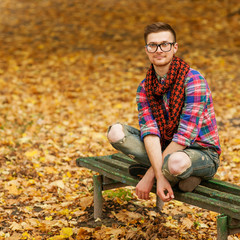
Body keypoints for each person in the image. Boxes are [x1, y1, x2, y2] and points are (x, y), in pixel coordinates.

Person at [107, 22, 221, 202]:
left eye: (164, 44)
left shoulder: (193, 80)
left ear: (174, 48)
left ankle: (171, 172)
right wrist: (160, 176)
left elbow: (185, 136)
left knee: (176, 163)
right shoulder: (145, 87)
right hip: (165, 146)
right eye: (153, 45)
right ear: (146, 50)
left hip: (202, 153)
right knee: (116, 133)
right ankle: (178, 178)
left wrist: (150, 176)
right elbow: (150, 132)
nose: (158, 50)